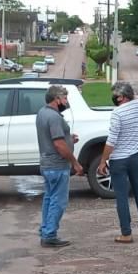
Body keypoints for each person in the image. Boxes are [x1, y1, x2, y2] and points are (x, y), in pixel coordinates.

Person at [98, 81, 138, 243]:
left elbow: (111, 141)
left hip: (119, 160)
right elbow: (135, 95)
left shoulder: (117, 113)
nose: (113, 98)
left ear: (121, 97)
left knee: (122, 197)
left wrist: (103, 160)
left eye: (115, 95)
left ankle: (126, 233)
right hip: (136, 156)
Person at [36, 85, 83, 247]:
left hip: (46, 164)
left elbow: (55, 138)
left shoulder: (42, 113)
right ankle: (50, 235)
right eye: (64, 98)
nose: (66, 102)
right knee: (58, 200)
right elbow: (59, 145)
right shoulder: (55, 117)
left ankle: (45, 230)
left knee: (49, 198)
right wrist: (75, 163)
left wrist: (69, 138)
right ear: (56, 99)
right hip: (57, 165)